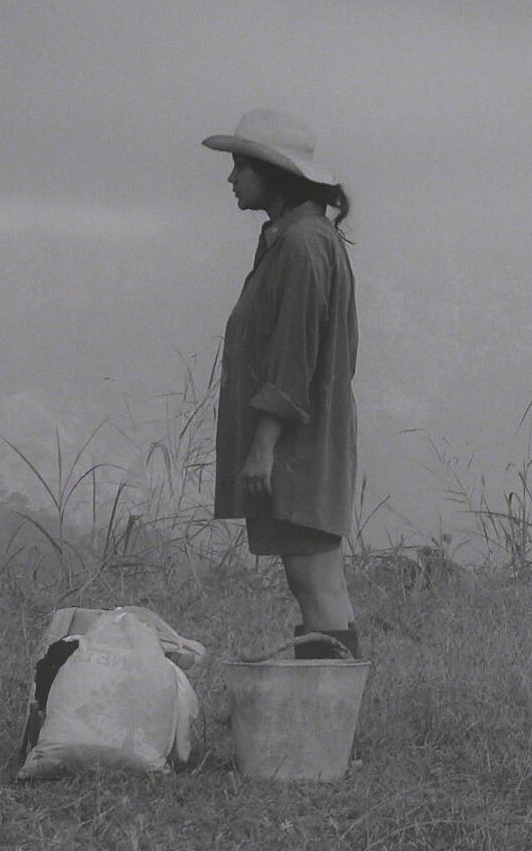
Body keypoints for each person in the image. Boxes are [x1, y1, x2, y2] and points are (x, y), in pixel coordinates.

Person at [205, 108, 361, 660]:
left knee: (315, 587)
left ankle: (328, 729)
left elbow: (293, 360)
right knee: (322, 586)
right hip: (310, 440)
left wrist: (262, 450)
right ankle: (331, 728)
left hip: (297, 446)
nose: (231, 180)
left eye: (240, 167)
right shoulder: (302, 239)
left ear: (271, 173)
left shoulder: (300, 246)